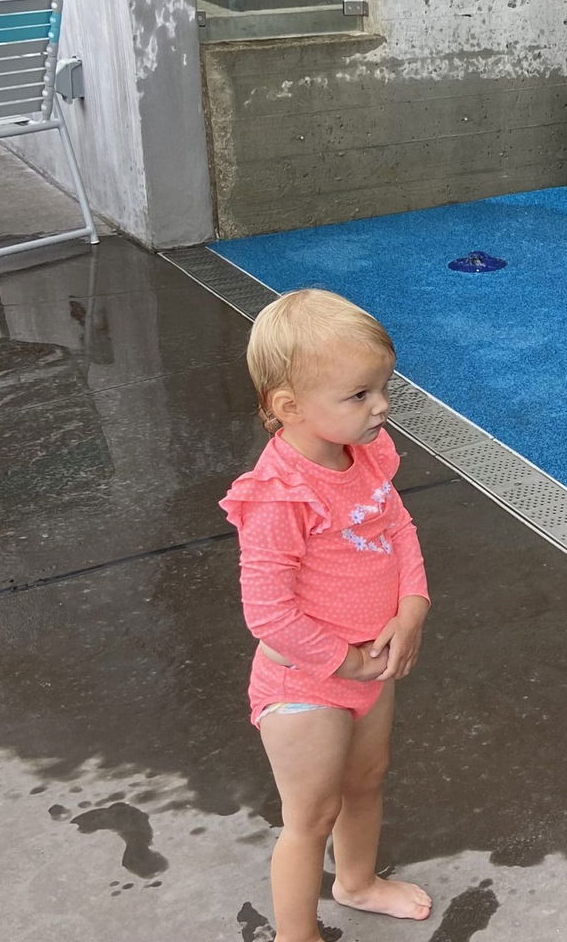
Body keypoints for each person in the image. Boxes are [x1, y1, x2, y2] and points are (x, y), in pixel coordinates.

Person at [221, 288, 432, 940]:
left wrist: (411, 607)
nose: (382, 405)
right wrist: (344, 662)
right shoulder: (279, 498)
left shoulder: (364, 453)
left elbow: (397, 528)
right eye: (360, 395)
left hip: (370, 664)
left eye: (382, 387)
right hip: (305, 686)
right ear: (290, 408)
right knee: (309, 817)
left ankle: (358, 881)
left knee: (366, 782)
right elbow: (268, 614)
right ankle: (297, 934)